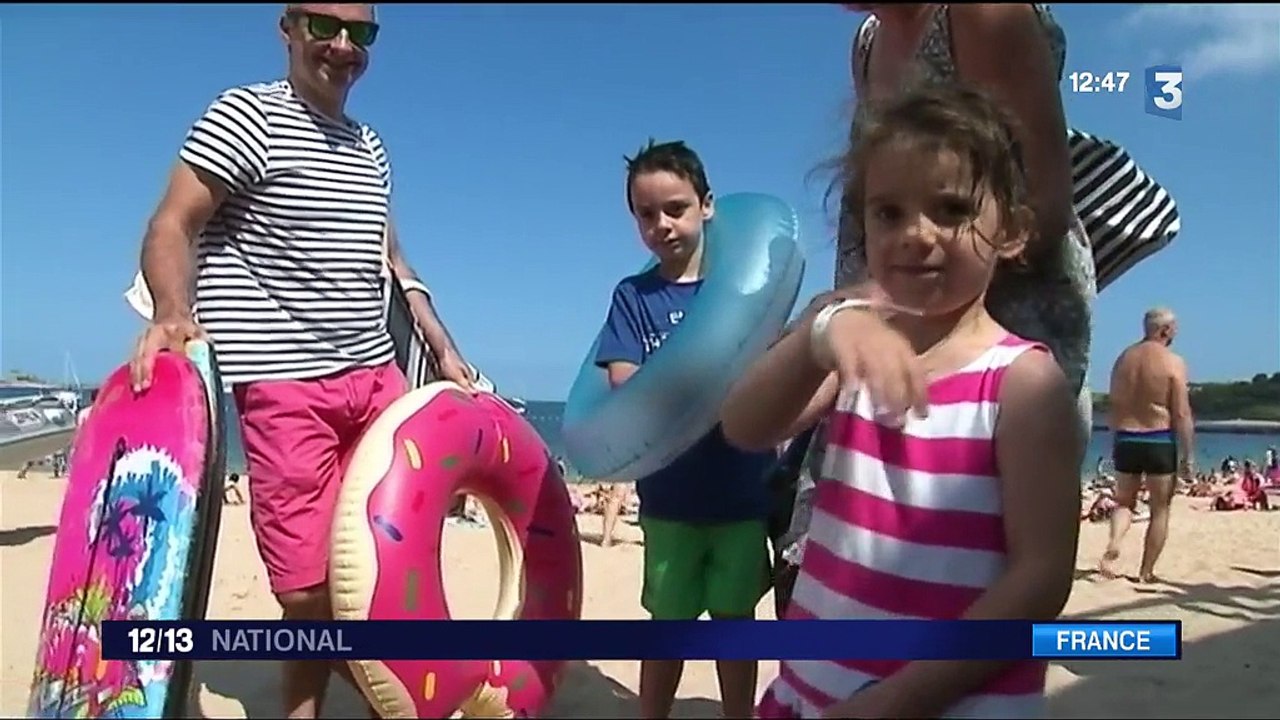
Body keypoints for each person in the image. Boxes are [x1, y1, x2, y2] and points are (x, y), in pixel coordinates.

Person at [125, 5, 473, 718]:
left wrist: (441, 346)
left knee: (382, 566)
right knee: (305, 590)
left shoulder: (371, 145)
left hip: (376, 379)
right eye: (324, 25)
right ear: (287, 27)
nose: (343, 45)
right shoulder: (244, 116)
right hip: (284, 386)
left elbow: (391, 261)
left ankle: (341, 701)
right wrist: (170, 312)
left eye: (361, 32)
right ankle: (385, 698)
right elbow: (173, 221)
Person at [721, 83, 1081, 719]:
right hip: (810, 692)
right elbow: (744, 425)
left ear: (1012, 232)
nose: (916, 234)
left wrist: (896, 702)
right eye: (888, 212)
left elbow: (1039, 580)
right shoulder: (856, 347)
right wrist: (821, 335)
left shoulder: (1022, 383)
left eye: (950, 209)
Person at [594, 139, 774, 719]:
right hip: (669, 497)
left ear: (707, 206)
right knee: (667, 624)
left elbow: (770, 370)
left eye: (675, 208)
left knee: (734, 622)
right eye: (647, 214)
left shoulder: (741, 288)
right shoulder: (634, 297)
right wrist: (687, 386)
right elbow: (625, 381)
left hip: (742, 492)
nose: (662, 225)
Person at [1099, 307, 1193, 583]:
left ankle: (1115, 541)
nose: (1175, 332)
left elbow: (1113, 404)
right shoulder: (1173, 362)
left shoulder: (1123, 359)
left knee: (1124, 502)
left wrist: (1114, 439)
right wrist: (1188, 457)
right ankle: (1146, 572)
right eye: (1174, 328)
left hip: (1126, 437)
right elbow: (1182, 413)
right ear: (1164, 330)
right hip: (1158, 439)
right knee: (1159, 509)